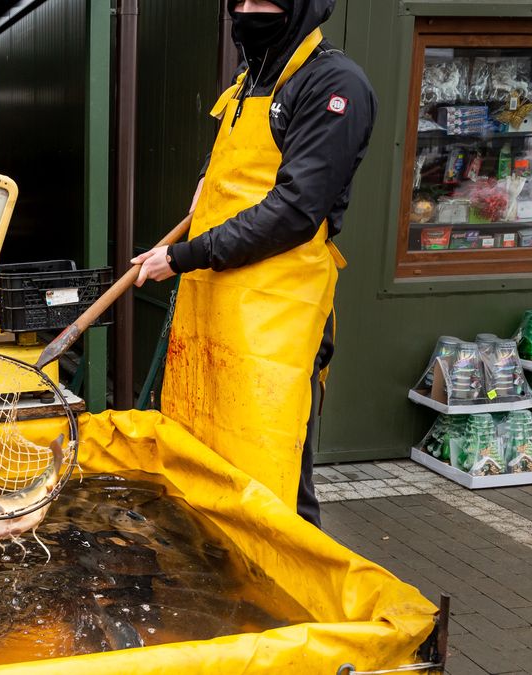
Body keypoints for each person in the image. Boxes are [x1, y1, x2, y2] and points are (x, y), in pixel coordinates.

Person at [131, 0, 376, 527]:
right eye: (239, 1)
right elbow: (228, 163)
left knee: (275, 470)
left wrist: (183, 256)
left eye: (263, 0)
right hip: (216, 303)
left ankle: (295, 594)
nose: (247, 11)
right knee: (207, 453)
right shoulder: (248, 80)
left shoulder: (335, 86)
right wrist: (204, 179)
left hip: (276, 315)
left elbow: (293, 211)